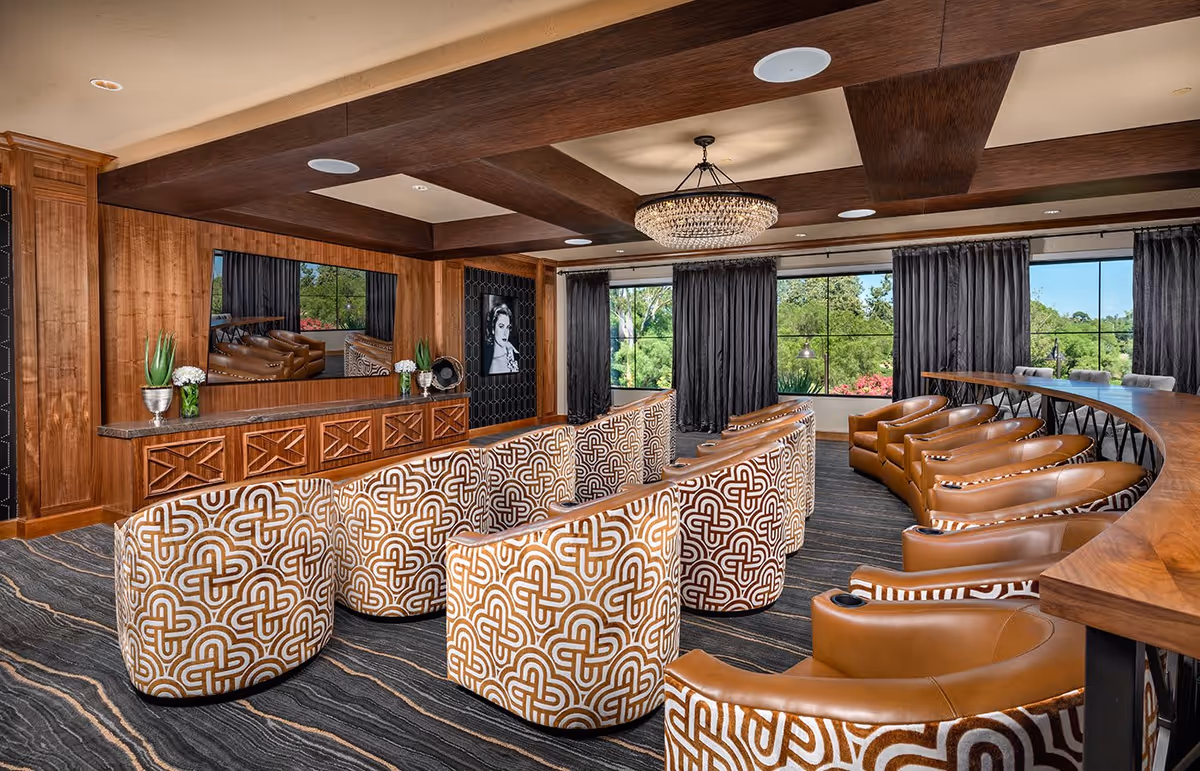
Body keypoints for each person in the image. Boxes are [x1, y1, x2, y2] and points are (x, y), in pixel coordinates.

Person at [483, 302, 519, 374]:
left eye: (508, 327)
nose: (506, 333)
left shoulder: (511, 350)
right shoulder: (495, 366)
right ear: (493, 329)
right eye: (501, 326)